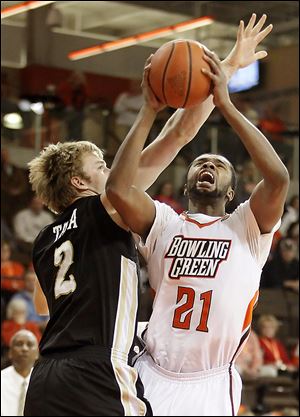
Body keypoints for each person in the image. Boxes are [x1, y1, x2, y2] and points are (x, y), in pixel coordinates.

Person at [24, 14, 269, 416]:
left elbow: (42, 302)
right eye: (101, 165)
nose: (113, 170)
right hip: (97, 372)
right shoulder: (106, 208)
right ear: (80, 183)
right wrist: (226, 68)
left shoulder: (44, 240)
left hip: (47, 377)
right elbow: (177, 134)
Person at [105, 14, 289, 416]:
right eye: (200, 162)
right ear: (185, 186)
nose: (208, 165)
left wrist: (226, 103)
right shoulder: (165, 223)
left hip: (209, 381)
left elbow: (277, 178)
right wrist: (148, 109)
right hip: (151, 372)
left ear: (233, 190)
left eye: (219, 164)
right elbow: (117, 189)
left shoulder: (246, 228)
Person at [1, 330, 39, 416]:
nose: (24, 349)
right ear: (10, 352)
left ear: (37, 353)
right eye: (19, 344)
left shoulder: (45, 382)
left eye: (29, 345)